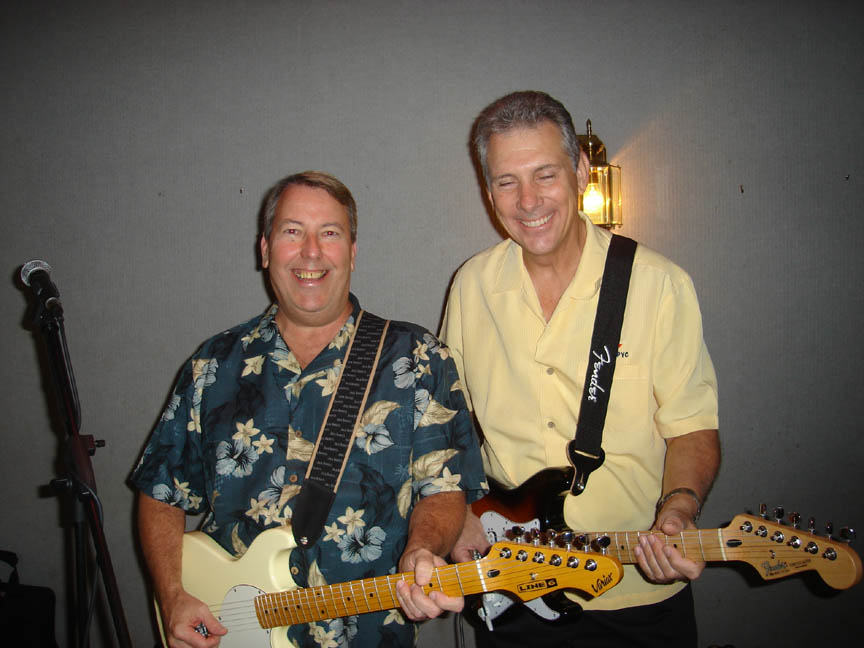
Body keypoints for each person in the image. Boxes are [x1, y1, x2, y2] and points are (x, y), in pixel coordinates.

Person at [131, 171, 487, 648]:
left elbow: (444, 489)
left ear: (353, 253)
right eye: (292, 231)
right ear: (265, 249)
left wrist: (421, 551)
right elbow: (161, 493)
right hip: (231, 633)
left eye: (330, 233)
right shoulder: (212, 365)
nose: (311, 252)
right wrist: (172, 595)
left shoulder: (419, 358)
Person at [442, 91, 720, 647]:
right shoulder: (472, 286)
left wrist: (679, 507)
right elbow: (447, 421)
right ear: (488, 191)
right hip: (513, 587)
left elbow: (692, 426)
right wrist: (460, 510)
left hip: (635, 588)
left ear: (581, 171)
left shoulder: (658, 284)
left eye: (545, 175)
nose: (527, 201)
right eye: (506, 182)